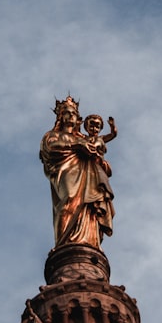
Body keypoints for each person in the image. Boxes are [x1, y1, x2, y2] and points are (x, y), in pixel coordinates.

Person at [39, 97, 117, 248]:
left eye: (73, 113)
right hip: (66, 171)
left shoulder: (84, 138)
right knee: (69, 201)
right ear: (60, 117)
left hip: (87, 175)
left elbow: (98, 151)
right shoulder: (53, 135)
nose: (70, 116)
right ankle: (63, 243)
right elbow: (50, 147)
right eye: (66, 113)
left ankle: (89, 241)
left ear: (78, 119)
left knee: (89, 208)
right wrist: (78, 145)